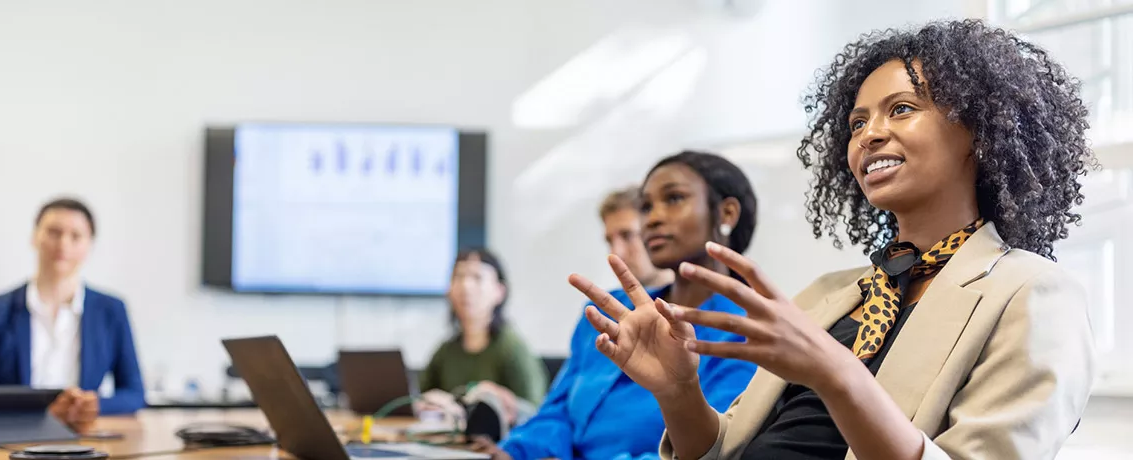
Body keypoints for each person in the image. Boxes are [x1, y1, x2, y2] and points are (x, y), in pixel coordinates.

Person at [569, 20, 1096, 460]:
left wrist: (837, 373)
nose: (869, 134)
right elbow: (720, 450)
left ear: (982, 130)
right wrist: (679, 393)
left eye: (902, 109)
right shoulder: (830, 293)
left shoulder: (1035, 294)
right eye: (857, 121)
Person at [475, 151, 760, 460]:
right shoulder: (606, 312)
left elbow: (714, 448)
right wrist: (517, 452)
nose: (652, 218)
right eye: (646, 206)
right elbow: (557, 410)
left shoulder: (746, 332)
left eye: (674, 198)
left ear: (727, 213)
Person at [0, 198, 145, 432]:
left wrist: (91, 405)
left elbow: (134, 393)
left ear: (89, 246)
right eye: (54, 232)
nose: (63, 244)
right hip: (10, 437)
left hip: (81, 437)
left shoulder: (111, 311)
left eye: (76, 236)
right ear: (34, 237)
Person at [417, 248, 547, 425]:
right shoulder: (446, 350)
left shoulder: (511, 348)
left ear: (499, 291)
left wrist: (506, 403)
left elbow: (539, 412)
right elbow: (419, 398)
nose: (466, 286)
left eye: (477, 278)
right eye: (459, 276)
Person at [600, 186, 672, 288]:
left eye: (627, 236)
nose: (617, 253)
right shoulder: (601, 303)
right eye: (610, 241)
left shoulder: (700, 298)